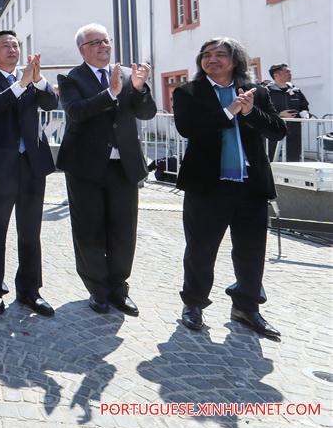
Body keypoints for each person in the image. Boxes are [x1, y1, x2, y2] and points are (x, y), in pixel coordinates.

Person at [173, 38, 286, 338]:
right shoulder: (187, 92)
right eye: (206, 55)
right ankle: (194, 304)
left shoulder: (256, 92)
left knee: (251, 250)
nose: (212, 60)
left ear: (235, 60)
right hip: (207, 185)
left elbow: (278, 130)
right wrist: (229, 112)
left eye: (220, 55)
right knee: (200, 248)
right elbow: (188, 128)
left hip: (251, 185)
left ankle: (247, 307)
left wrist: (250, 112)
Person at [56, 23, 156, 316]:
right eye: (95, 43)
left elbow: (146, 112)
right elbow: (76, 112)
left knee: (124, 229)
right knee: (89, 230)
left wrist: (138, 89)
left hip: (123, 164)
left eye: (106, 41)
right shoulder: (71, 78)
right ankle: (97, 289)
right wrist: (110, 94)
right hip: (85, 166)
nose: (103, 46)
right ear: (82, 50)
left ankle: (119, 287)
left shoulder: (127, 75)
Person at [0, 31, 59, 316]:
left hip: (32, 164)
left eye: (16, 45)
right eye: (6, 45)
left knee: (30, 231)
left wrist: (39, 80)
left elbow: (50, 103)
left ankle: (30, 291)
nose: (12, 49)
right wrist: (21, 84)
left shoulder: (31, 79)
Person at [266, 63, 311, 162]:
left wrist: (305, 113)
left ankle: (291, 178)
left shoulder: (296, 91)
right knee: (271, 159)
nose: (290, 74)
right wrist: (279, 115)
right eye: (287, 72)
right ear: (276, 75)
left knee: (294, 160)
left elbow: (304, 106)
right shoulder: (266, 92)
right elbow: (261, 111)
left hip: (294, 131)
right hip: (273, 132)